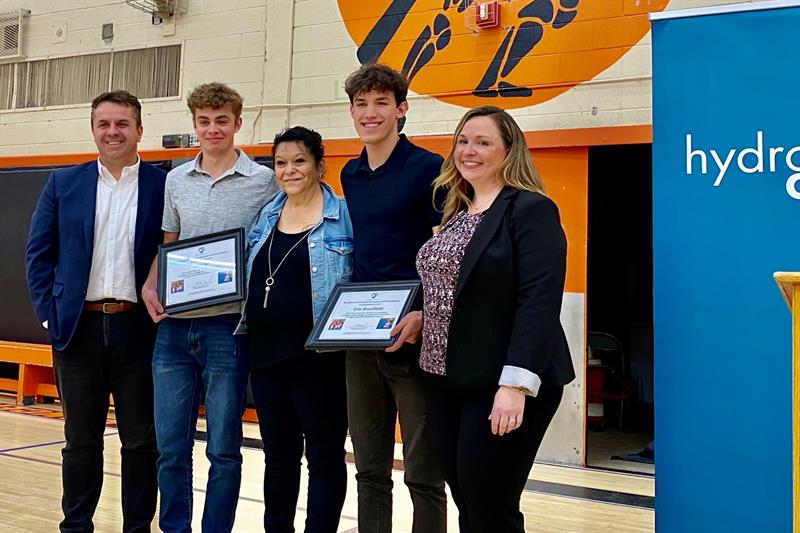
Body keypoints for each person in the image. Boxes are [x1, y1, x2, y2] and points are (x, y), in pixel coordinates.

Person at [415, 106, 576, 533]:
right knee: (465, 495)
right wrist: (421, 315)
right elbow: (454, 288)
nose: (469, 151)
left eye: (483, 142)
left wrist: (515, 385)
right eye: (463, 141)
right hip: (446, 378)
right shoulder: (457, 212)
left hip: (503, 381)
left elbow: (538, 301)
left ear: (508, 151)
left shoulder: (530, 209)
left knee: (490, 501)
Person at [25, 90, 166, 533]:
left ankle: (137, 527)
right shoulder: (63, 183)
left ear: (139, 130)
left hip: (139, 329)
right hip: (78, 328)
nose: (112, 132)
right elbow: (38, 254)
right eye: (103, 124)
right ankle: (76, 527)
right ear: (93, 130)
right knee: (80, 441)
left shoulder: (166, 184)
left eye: (122, 124)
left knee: (141, 441)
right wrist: (51, 315)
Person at [140, 82, 278, 532]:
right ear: (194, 124)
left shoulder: (265, 180)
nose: (213, 128)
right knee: (171, 446)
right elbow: (169, 244)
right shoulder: (176, 180)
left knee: (223, 446)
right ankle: (175, 527)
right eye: (204, 121)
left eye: (222, 120)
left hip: (228, 327)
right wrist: (150, 285)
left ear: (238, 123)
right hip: (175, 329)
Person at [341, 63, 447, 533]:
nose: (370, 113)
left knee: (424, 473)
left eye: (381, 103)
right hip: (360, 335)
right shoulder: (350, 173)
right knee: (368, 469)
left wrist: (426, 311)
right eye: (361, 104)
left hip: (414, 335)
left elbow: (450, 249)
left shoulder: (429, 168)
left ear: (401, 110)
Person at [235, 126, 352, 532]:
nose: (289, 170)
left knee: (323, 456)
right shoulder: (266, 216)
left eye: (299, 160)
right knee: (278, 456)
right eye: (281, 163)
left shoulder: (342, 218)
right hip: (266, 356)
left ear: (320, 166)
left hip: (319, 359)